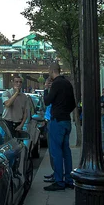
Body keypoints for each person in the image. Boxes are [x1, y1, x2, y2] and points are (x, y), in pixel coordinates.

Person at [43, 62, 76, 191]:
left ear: (51, 71)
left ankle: (59, 181)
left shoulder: (56, 83)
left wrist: (46, 88)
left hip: (57, 121)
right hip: (66, 120)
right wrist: (65, 111)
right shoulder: (67, 83)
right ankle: (69, 179)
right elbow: (73, 103)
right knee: (66, 152)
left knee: (56, 152)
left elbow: (47, 101)